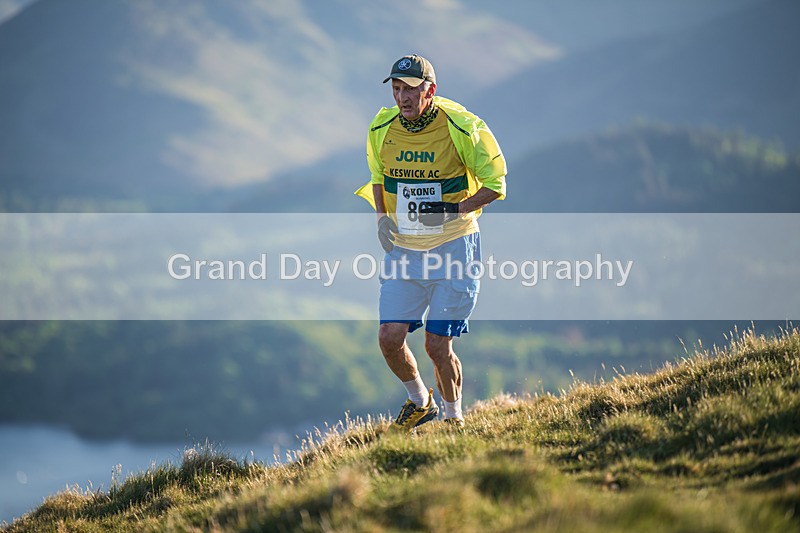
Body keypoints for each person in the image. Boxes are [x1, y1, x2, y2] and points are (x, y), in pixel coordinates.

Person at [355, 54, 507, 431]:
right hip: (405, 250)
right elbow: (378, 173)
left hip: (454, 248)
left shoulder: (463, 126)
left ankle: (454, 421)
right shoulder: (382, 127)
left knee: (437, 346)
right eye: (396, 88)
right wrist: (381, 218)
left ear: (430, 90)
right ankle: (421, 403)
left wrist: (454, 209)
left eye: (410, 88)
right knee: (389, 338)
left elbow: (496, 185)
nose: (402, 97)